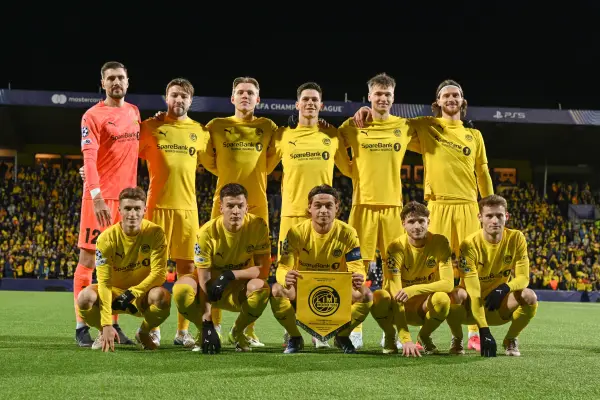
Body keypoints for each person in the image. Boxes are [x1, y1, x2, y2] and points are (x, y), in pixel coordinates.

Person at [353, 79, 494, 351]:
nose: (451, 99)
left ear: (462, 100)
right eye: (445, 95)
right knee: (434, 271)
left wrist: (488, 206)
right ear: (437, 101)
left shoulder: (474, 135)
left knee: (471, 270)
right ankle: (411, 327)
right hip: (437, 206)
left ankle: (474, 331)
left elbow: (483, 173)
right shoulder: (425, 126)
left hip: (468, 205)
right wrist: (366, 110)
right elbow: (389, 123)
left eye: (456, 95)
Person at [267, 82, 352, 348]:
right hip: (291, 215)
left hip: (323, 216)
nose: (310, 103)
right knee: (289, 275)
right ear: (297, 104)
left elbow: (349, 170)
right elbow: (264, 167)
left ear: (321, 105)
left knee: (323, 272)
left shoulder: (332, 136)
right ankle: (292, 331)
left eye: (315, 99)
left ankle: (320, 327)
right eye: (305, 99)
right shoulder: (283, 136)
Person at [338, 72, 419, 348]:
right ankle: (355, 328)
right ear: (369, 96)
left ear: (393, 98)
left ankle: (393, 329)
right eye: (378, 94)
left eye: (387, 94)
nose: (382, 98)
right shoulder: (354, 125)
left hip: (394, 208)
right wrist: (352, 171)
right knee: (356, 270)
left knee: (395, 271)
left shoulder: (404, 126)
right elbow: (334, 143)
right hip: (362, 206)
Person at [138, 78, 210, 348]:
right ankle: (153, 327)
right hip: (156, 208)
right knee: (153, 270)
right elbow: (123, 152)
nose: (179, 100)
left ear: (191, 101)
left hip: (187, 210)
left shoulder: (200, 131)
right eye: (174, 95)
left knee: (188, 271)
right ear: (166, 98)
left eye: (184, 96)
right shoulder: (149, 127)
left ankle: (182, 331)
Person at [75, 61, 141, 347]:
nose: (116, 82)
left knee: (116, 266)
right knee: (88, 260)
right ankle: (81, 326)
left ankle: (112, 324)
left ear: (127, 81)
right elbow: (89, 158)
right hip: (100, 200)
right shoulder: (92, 115)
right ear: (102, 83)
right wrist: (96, 195)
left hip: (127, 202)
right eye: (111, 78)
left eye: (120, 77)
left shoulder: (134, 112)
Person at [172, 183, 271, 353]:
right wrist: (207, 323)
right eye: (230, 206)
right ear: (221, 208)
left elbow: (263, 270)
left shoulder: (258, 226)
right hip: (210, 288)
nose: (235, 211)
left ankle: (237, 332)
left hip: (237, 290)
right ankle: (203, 331)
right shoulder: (206, 233)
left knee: (261, 289)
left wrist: (230, 274)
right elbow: (204, 279)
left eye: (240, 206)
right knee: (181, 289)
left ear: (247, 208)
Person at [272, 184, 371, 354]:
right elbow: (283, 267)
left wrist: (359, 276)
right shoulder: (295, 232)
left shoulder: (348, 233)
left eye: (328, 205)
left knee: (365, 294)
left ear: (337, 208)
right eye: (318, 205)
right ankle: (295, 337)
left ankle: (342, 336)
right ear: (309, 208)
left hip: (335, 291)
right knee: (277, 290)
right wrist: (285, 276)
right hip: (304, 290)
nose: (323, 210)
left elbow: (357, 267)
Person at [76, 187, 171, 352]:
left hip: (142, 295)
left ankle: (144, 332)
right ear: (119, 210)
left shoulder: (155, 233)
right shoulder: (106, 239)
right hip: (114, 294)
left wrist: (134, 292)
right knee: (84, 298)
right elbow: (104, 282)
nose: (132, 214)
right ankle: (104, 332)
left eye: (137, 209)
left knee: (162, 297)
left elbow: (159, 274)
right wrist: (106, 324)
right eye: (127, 208)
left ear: (144, 210)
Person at [447, 194, 538, 357]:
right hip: (471, 308)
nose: (495, 220)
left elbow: (524, 278)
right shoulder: (469, 245)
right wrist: (484, 330)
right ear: (480, 217)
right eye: (489, 216)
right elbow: (473, 291)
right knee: (455, 295)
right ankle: (457, 338)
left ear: (506, 217)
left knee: (529, 296)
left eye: (499, 215)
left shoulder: (516, 238)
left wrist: (504, 288)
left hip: (499, 305)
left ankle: (510, 339)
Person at [371, 201, 453, 356]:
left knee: (443, 299)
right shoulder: (395, 248)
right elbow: (397, 295)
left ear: (428, 222)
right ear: (403, 224)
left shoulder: (440, 242)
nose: (417, 226)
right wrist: (405, 339)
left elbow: (448, 284)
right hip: (396, 310)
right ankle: (390, 335)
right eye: (411, 221)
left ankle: (424, 336)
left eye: (421, 221)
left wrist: (412, 289)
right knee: (379, 297)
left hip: (423, 307)